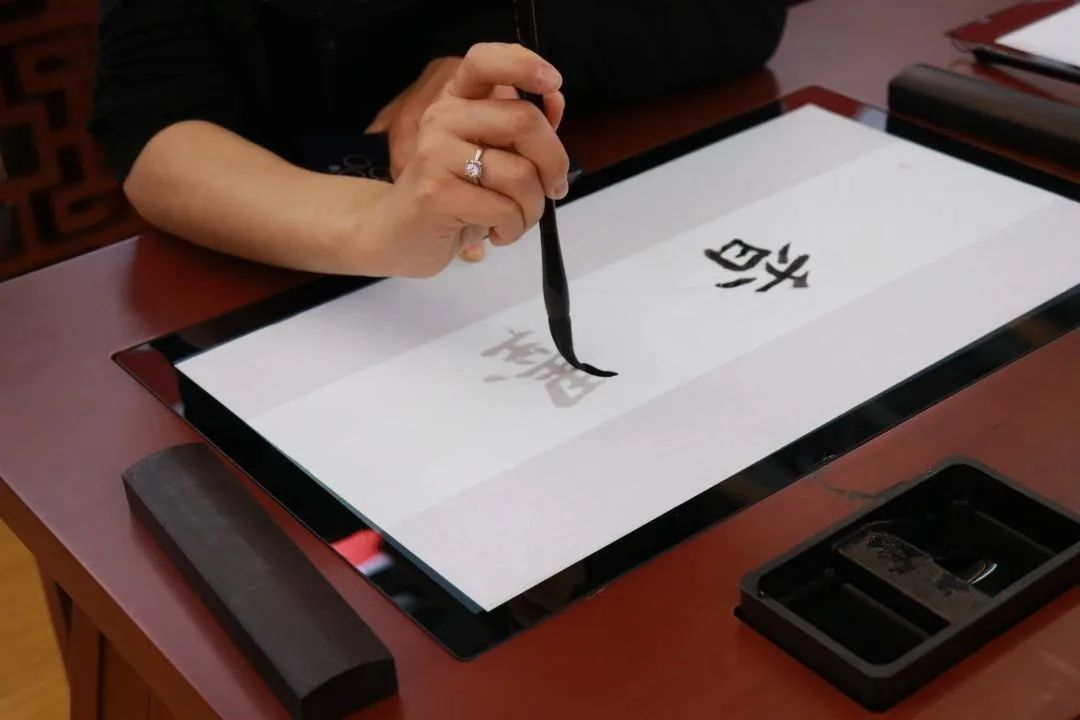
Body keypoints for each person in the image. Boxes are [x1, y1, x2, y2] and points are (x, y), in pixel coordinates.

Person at [90, 0, 787, 277]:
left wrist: (490, 45)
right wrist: (377, 226)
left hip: (624, 203)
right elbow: (154, 125)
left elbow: (744, 15)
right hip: (273, 266)